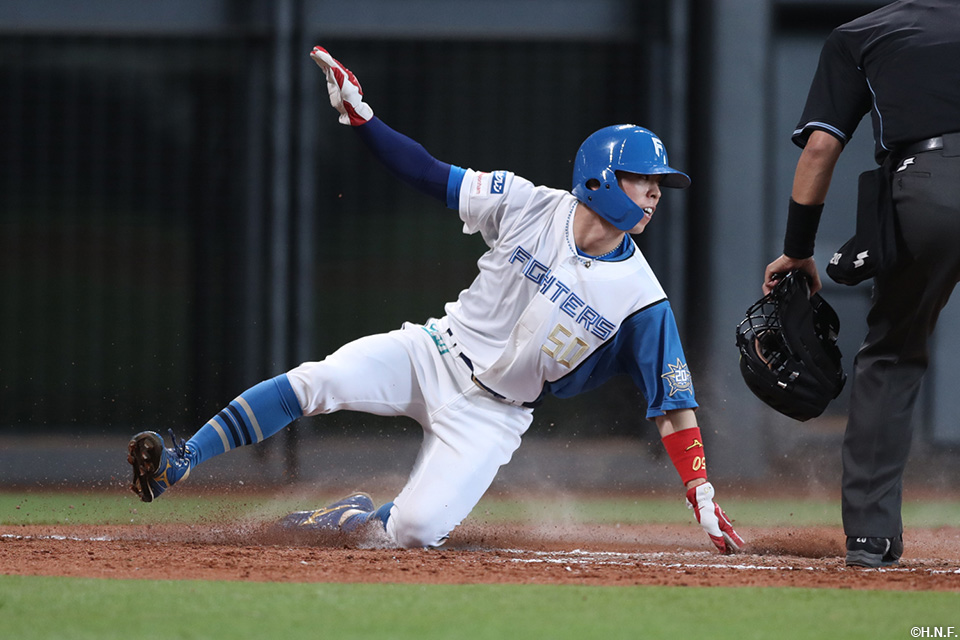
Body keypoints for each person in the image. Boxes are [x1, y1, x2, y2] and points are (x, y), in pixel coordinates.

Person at [127, 45, 744, 553]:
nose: (654, 193)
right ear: (601, 178)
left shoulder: (642, 298)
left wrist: (700, 493)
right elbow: (429, 172)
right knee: (317, 381)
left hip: (494, 415)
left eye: (659, 184)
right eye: (643, 179)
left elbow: (674, 405)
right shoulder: (527, 203)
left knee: (413, 533)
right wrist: (363, 119)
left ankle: (349, 517)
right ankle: (182, 459)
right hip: (434, 352)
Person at [763, 0, 960, 567]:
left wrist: (799, 250)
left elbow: (821, 147)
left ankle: (871, 537)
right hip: (929, 184)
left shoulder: (863, 32)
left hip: (929, 186)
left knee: (892, 356)